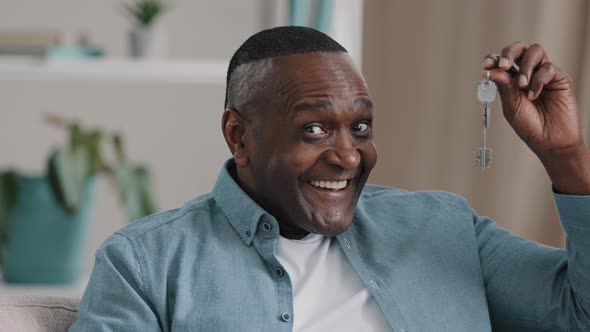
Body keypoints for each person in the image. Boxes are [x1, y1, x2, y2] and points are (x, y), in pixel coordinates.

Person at [70, 26, 590, 332]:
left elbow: (579, 313)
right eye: (314, 128)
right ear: (238, 136)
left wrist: (565, 155)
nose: (347, 156)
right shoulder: (143, 266)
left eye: (360, 126)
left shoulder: (445, 228)